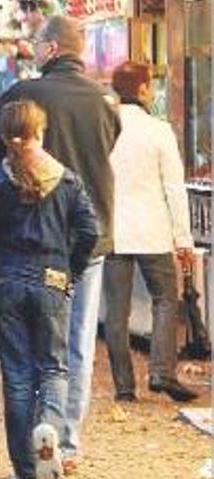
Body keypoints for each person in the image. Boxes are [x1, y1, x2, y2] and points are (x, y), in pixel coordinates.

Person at [0, 15, 121, 472]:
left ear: (48, 49)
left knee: (24, 354)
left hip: (23, 245)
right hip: (87, 239)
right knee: (74, 348)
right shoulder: (106, 102)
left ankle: (29, 451)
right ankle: (65, 444)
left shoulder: (21, 95)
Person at [0, 100, 98, 479]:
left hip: (6, 279)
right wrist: (72, 270)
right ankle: (50, 430)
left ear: (3, 137)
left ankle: (24, 469)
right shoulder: (66, 180)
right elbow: (90, 231)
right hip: (53, 277)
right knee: (54, 367)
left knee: (17, 374)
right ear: (42, 131)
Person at [104, 61, 198, 403]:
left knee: (116, 312)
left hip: (114, 231)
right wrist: (183, 238)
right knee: (165, 300)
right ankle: (161, 372)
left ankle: (124, 387)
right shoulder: (158, 131)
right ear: (143, 89)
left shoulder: (106, 129)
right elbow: (174, 188)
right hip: (153, 231)